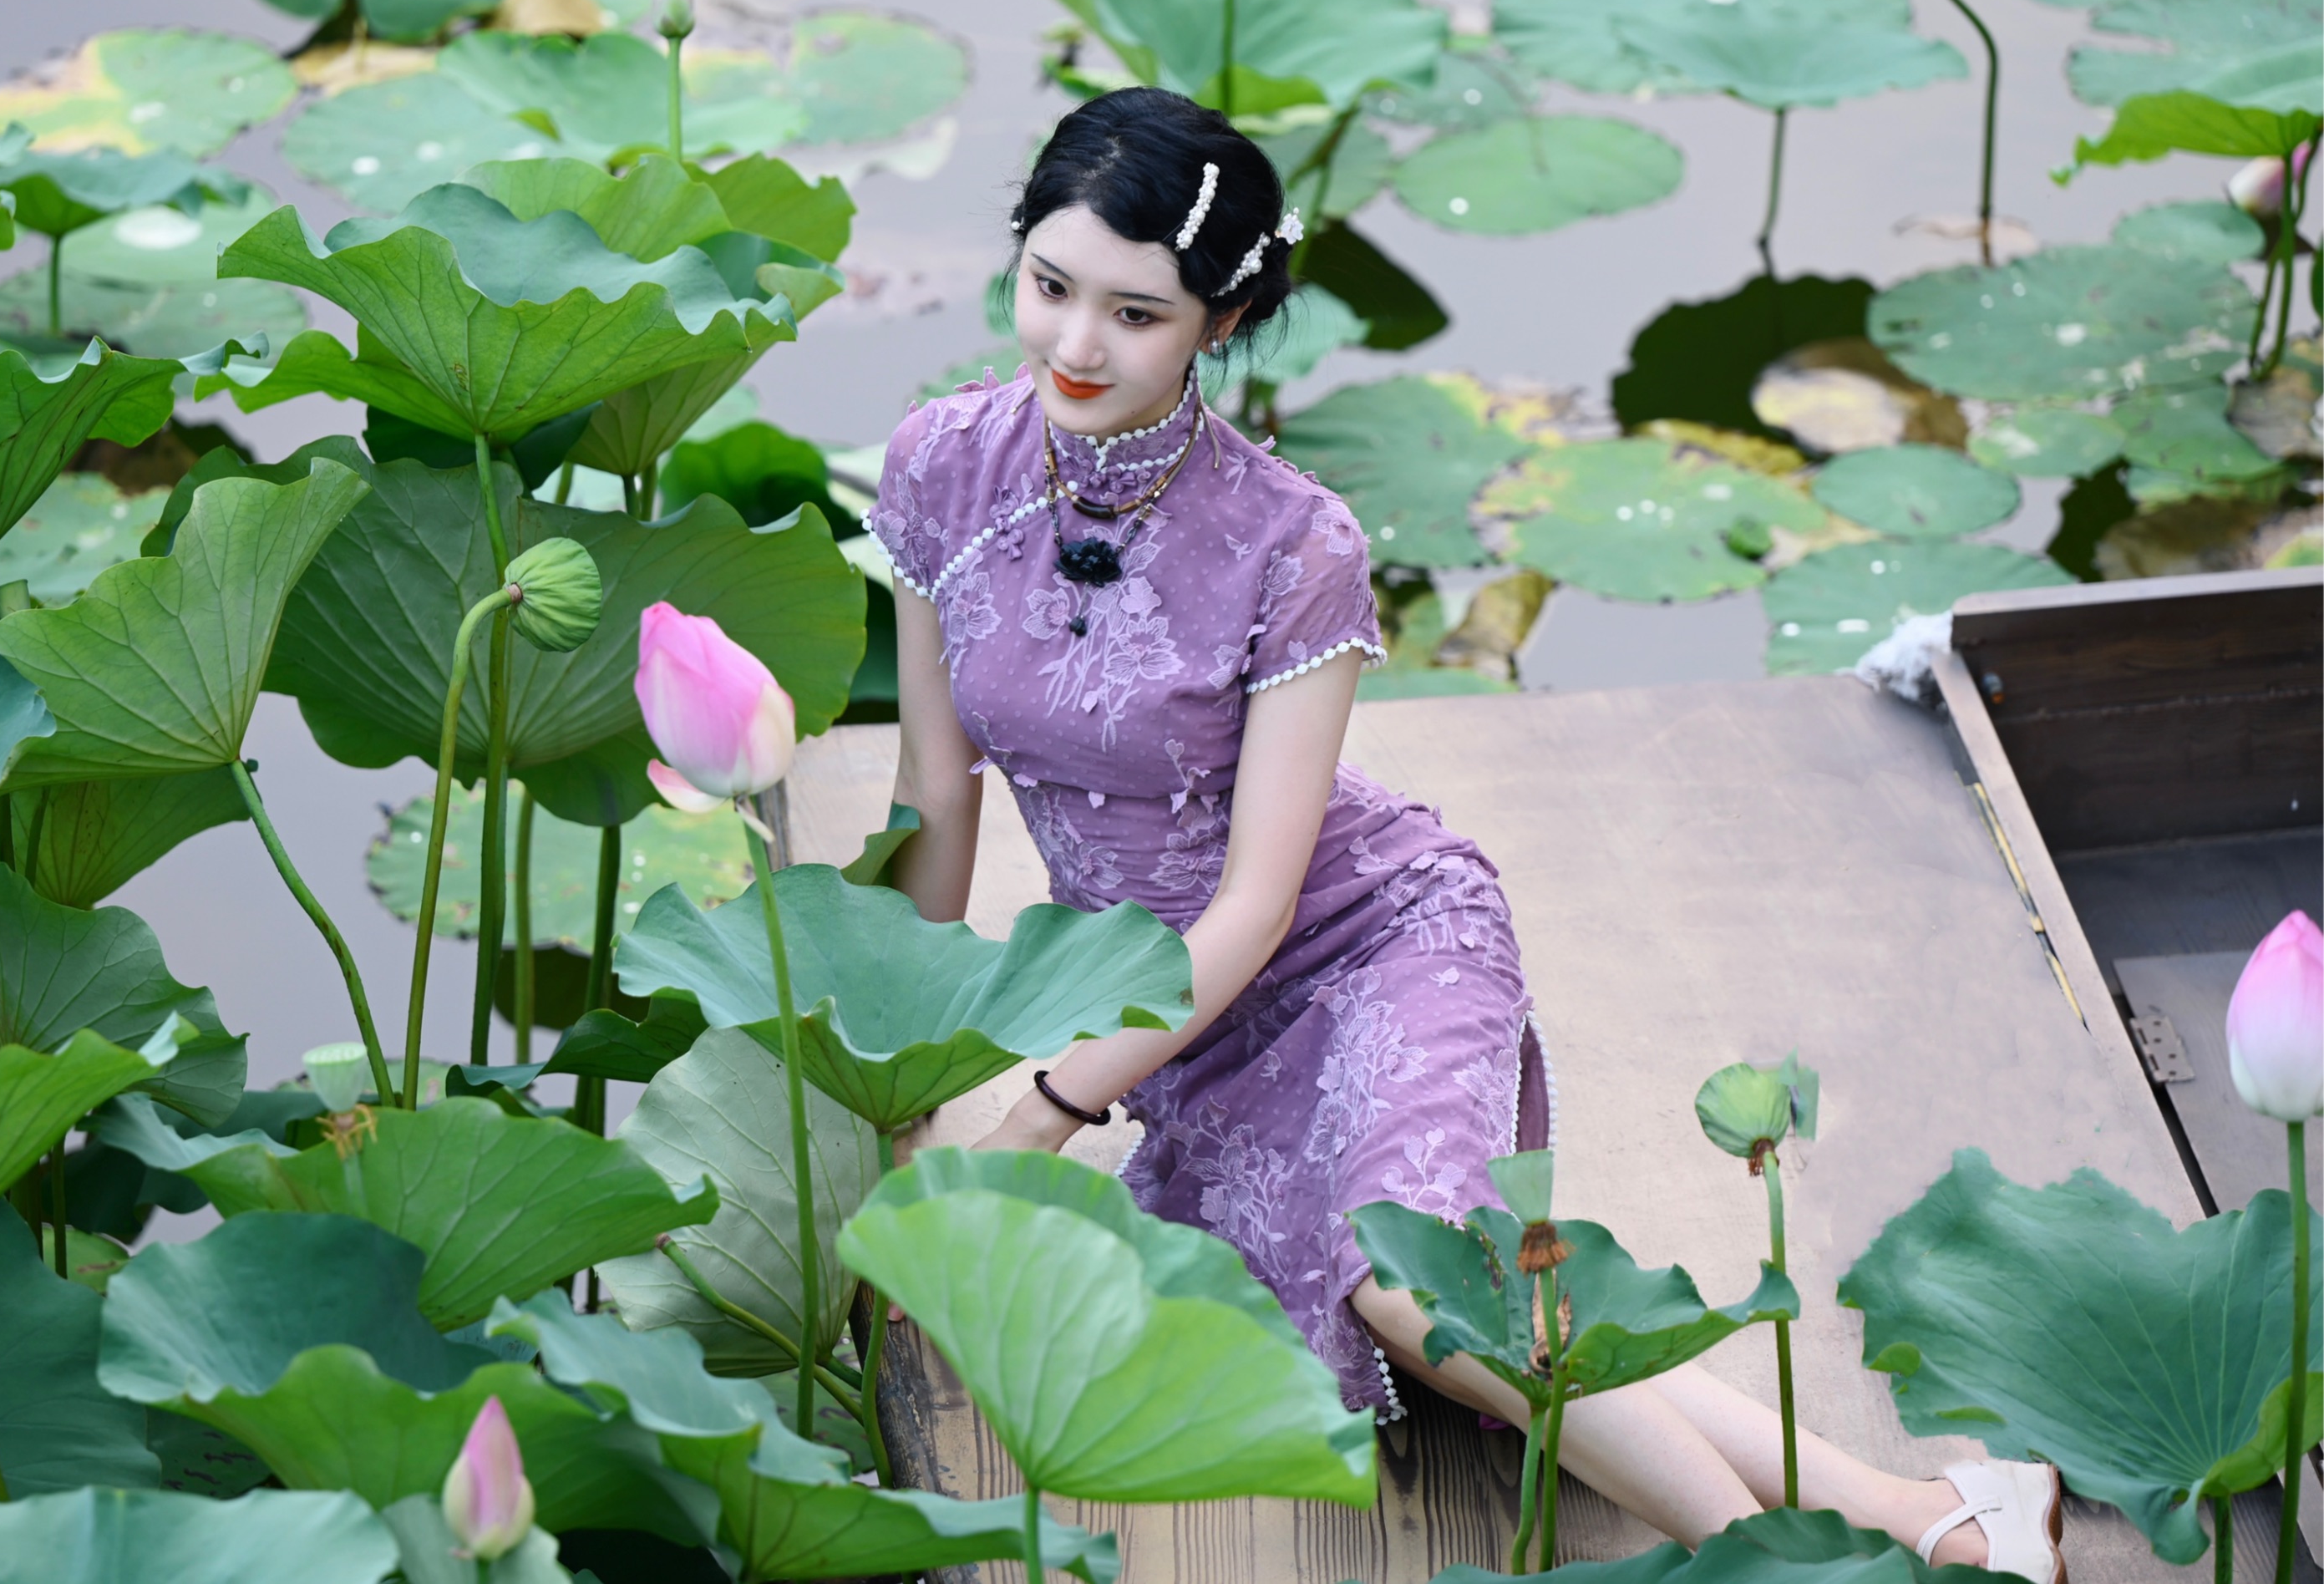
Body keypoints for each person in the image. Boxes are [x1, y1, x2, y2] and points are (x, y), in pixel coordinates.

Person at [866, 85, 2064, 1584]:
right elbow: (938, 789)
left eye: (1136, 313)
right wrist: (890, 1094)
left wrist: (1047, 1105)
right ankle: (1923, 1519)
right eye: (1049, 288)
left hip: (1360, 943)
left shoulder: (1293, 540)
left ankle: (1786, 1568)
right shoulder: (938, 469)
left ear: (1222, 322)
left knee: (1398, 1287)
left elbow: (1253, 903)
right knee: (1467, 1309)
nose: (1075, 348)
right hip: (1174, 1031)